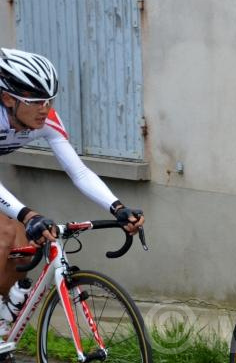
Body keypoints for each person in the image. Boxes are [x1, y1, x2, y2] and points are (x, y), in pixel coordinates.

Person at [0, 48, 144, 347]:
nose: (45, 108)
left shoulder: (45, 120)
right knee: (7, 233)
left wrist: (116, 207)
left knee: (21, 247)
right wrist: (27, 214)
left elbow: (78, 171)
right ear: (8, 99)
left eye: (50, 99)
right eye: (37, 101)